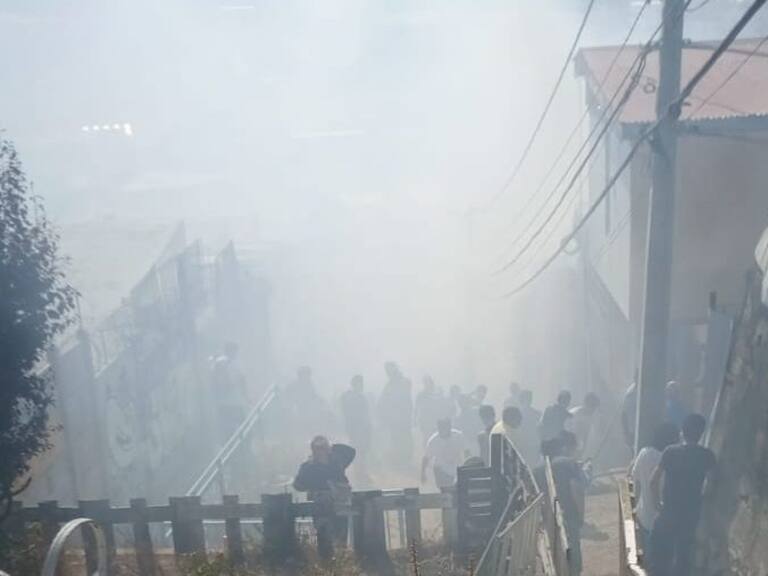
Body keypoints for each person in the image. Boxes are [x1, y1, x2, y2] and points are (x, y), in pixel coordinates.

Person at [649, 413, 716, 576]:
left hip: (668, 512)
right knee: (683, 559)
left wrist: (657, 505)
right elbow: (712, 485)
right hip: (691, 515)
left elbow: (653, 481)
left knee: (659, 559)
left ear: (682, 431)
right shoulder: (707, 456)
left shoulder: (670, 452)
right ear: (701, 433)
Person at [293, 436, 356, 560]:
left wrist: (332, 447)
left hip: (339, 503)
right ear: (313, 450)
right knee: (324, 535)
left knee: (341, 535)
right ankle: (327, 564)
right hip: (321, 505)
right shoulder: (308, 467)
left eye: (323, 447)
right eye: (317, 448)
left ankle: (342, 563)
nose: (320, 450)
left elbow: (351, 451)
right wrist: (311, 486)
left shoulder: (337, 462)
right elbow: (298, 485)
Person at [629, 422, 680, 545]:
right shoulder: (672, 459)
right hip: (664, 520)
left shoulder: (644, 453)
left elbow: (635, 480)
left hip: (644, 515)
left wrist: (634, 507)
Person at [550, 431, 587, 576]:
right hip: (569, 512)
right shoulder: (570, 463)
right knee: (573, 548)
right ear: (567, 446)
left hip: (552, 513)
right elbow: (577, 489)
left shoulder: (548, 462)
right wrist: (581, 515)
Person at [377, 362, 414, 469]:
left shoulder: (403, 382)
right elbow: (383, 400)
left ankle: (405, 460)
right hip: (395, 418)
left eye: (389, 370)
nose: (388, 373)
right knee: (397, 439)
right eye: (387, 371)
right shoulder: (390, 384)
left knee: (404, 438)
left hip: (402, 417)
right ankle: (400, 460)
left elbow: (405, 399)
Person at [211, 341, 247, 442]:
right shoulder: (221, 364)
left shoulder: (233, 364)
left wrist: (245, 395)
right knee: (232, 430)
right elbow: (221, 384)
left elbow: (242, 381)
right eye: (234, 351)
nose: (235, 354)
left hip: (233, 403)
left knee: (243, 427)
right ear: (229, 351)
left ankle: (242, 447)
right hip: (226, 405)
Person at [340, 375, 372, 480]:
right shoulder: (357, 397)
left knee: (359, 450)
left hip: (354, 428)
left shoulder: (347, 396)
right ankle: (360, 474)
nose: (361, 385)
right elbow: (363, 414)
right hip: (358, 428)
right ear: (356, 384)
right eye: (360, 383)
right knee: (360, 451)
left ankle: (360, 473)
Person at [421, 419, 467, 489]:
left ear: (449, 427)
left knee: (457, 490)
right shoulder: (433, 441)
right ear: (438, 428)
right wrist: (423, 473)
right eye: (441, 428)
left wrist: (468, 463)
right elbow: (426, 457)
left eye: (445, 427)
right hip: (440, 469)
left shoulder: (458, 436)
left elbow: (466, 451)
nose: (443, 430)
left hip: (456, 467)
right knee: (445, 491)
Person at [415, 375, 443, 445]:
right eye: (426, 382)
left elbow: (441, 406)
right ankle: (428, 453)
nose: (428, 384)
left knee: (437, 437)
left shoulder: (437, 394)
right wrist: (415, 418)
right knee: (427, 438)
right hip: (425, 420)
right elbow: (416, 407)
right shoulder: (421, 395)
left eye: (429, 382)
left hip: (436, 420)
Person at [517, 389, 542, 466]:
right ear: (523, 399)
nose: (530, 400)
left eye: (530, 398)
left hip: (532, 443)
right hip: (525, 443)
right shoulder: (536, 413)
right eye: (528, 398)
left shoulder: (536, 413)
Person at [621, 380, 638, 450]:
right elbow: (624, 414)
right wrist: (626, 432)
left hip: (633, 430)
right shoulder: (631, 392)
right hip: (632, 431)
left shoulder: (631, 390)